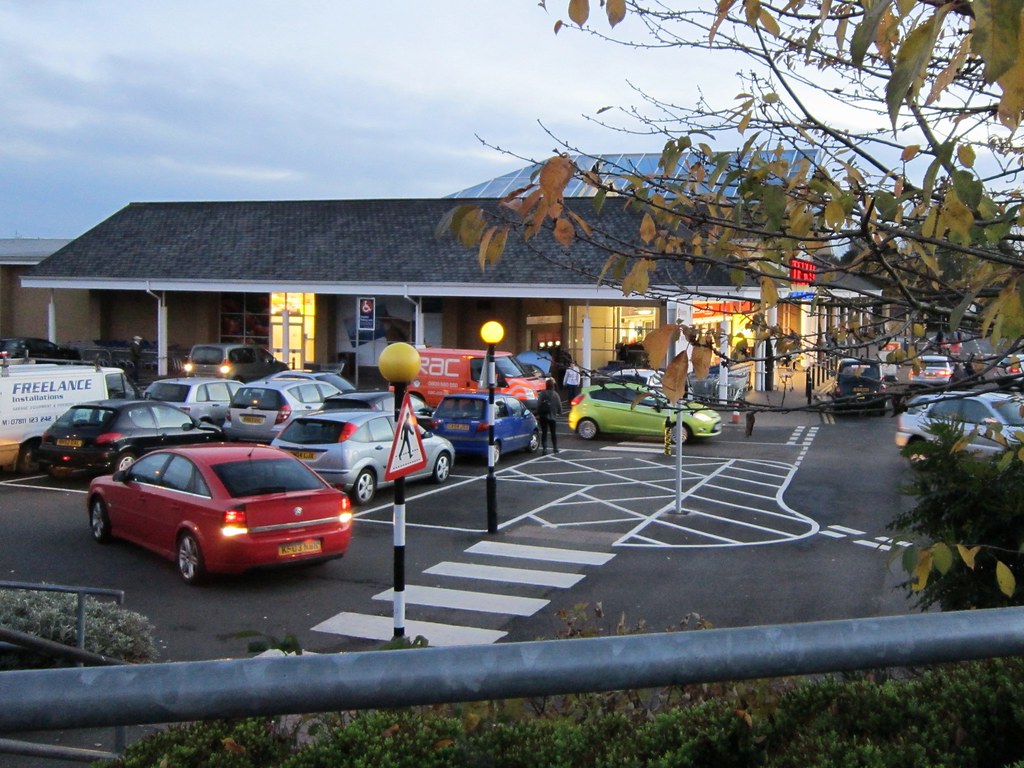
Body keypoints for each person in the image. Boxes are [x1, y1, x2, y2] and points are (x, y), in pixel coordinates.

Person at [536, 378, 562, 454]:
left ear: (546, 385)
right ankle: (555, 448)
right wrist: (559, 412)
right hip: (553, 417)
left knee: (544, 433)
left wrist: (537, 412)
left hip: (543, 416)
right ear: (553, 386)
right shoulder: (555, 394)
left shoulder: (542, 393)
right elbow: (559, 406)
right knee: (553, 433)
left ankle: (544, 449)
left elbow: (538, 404)